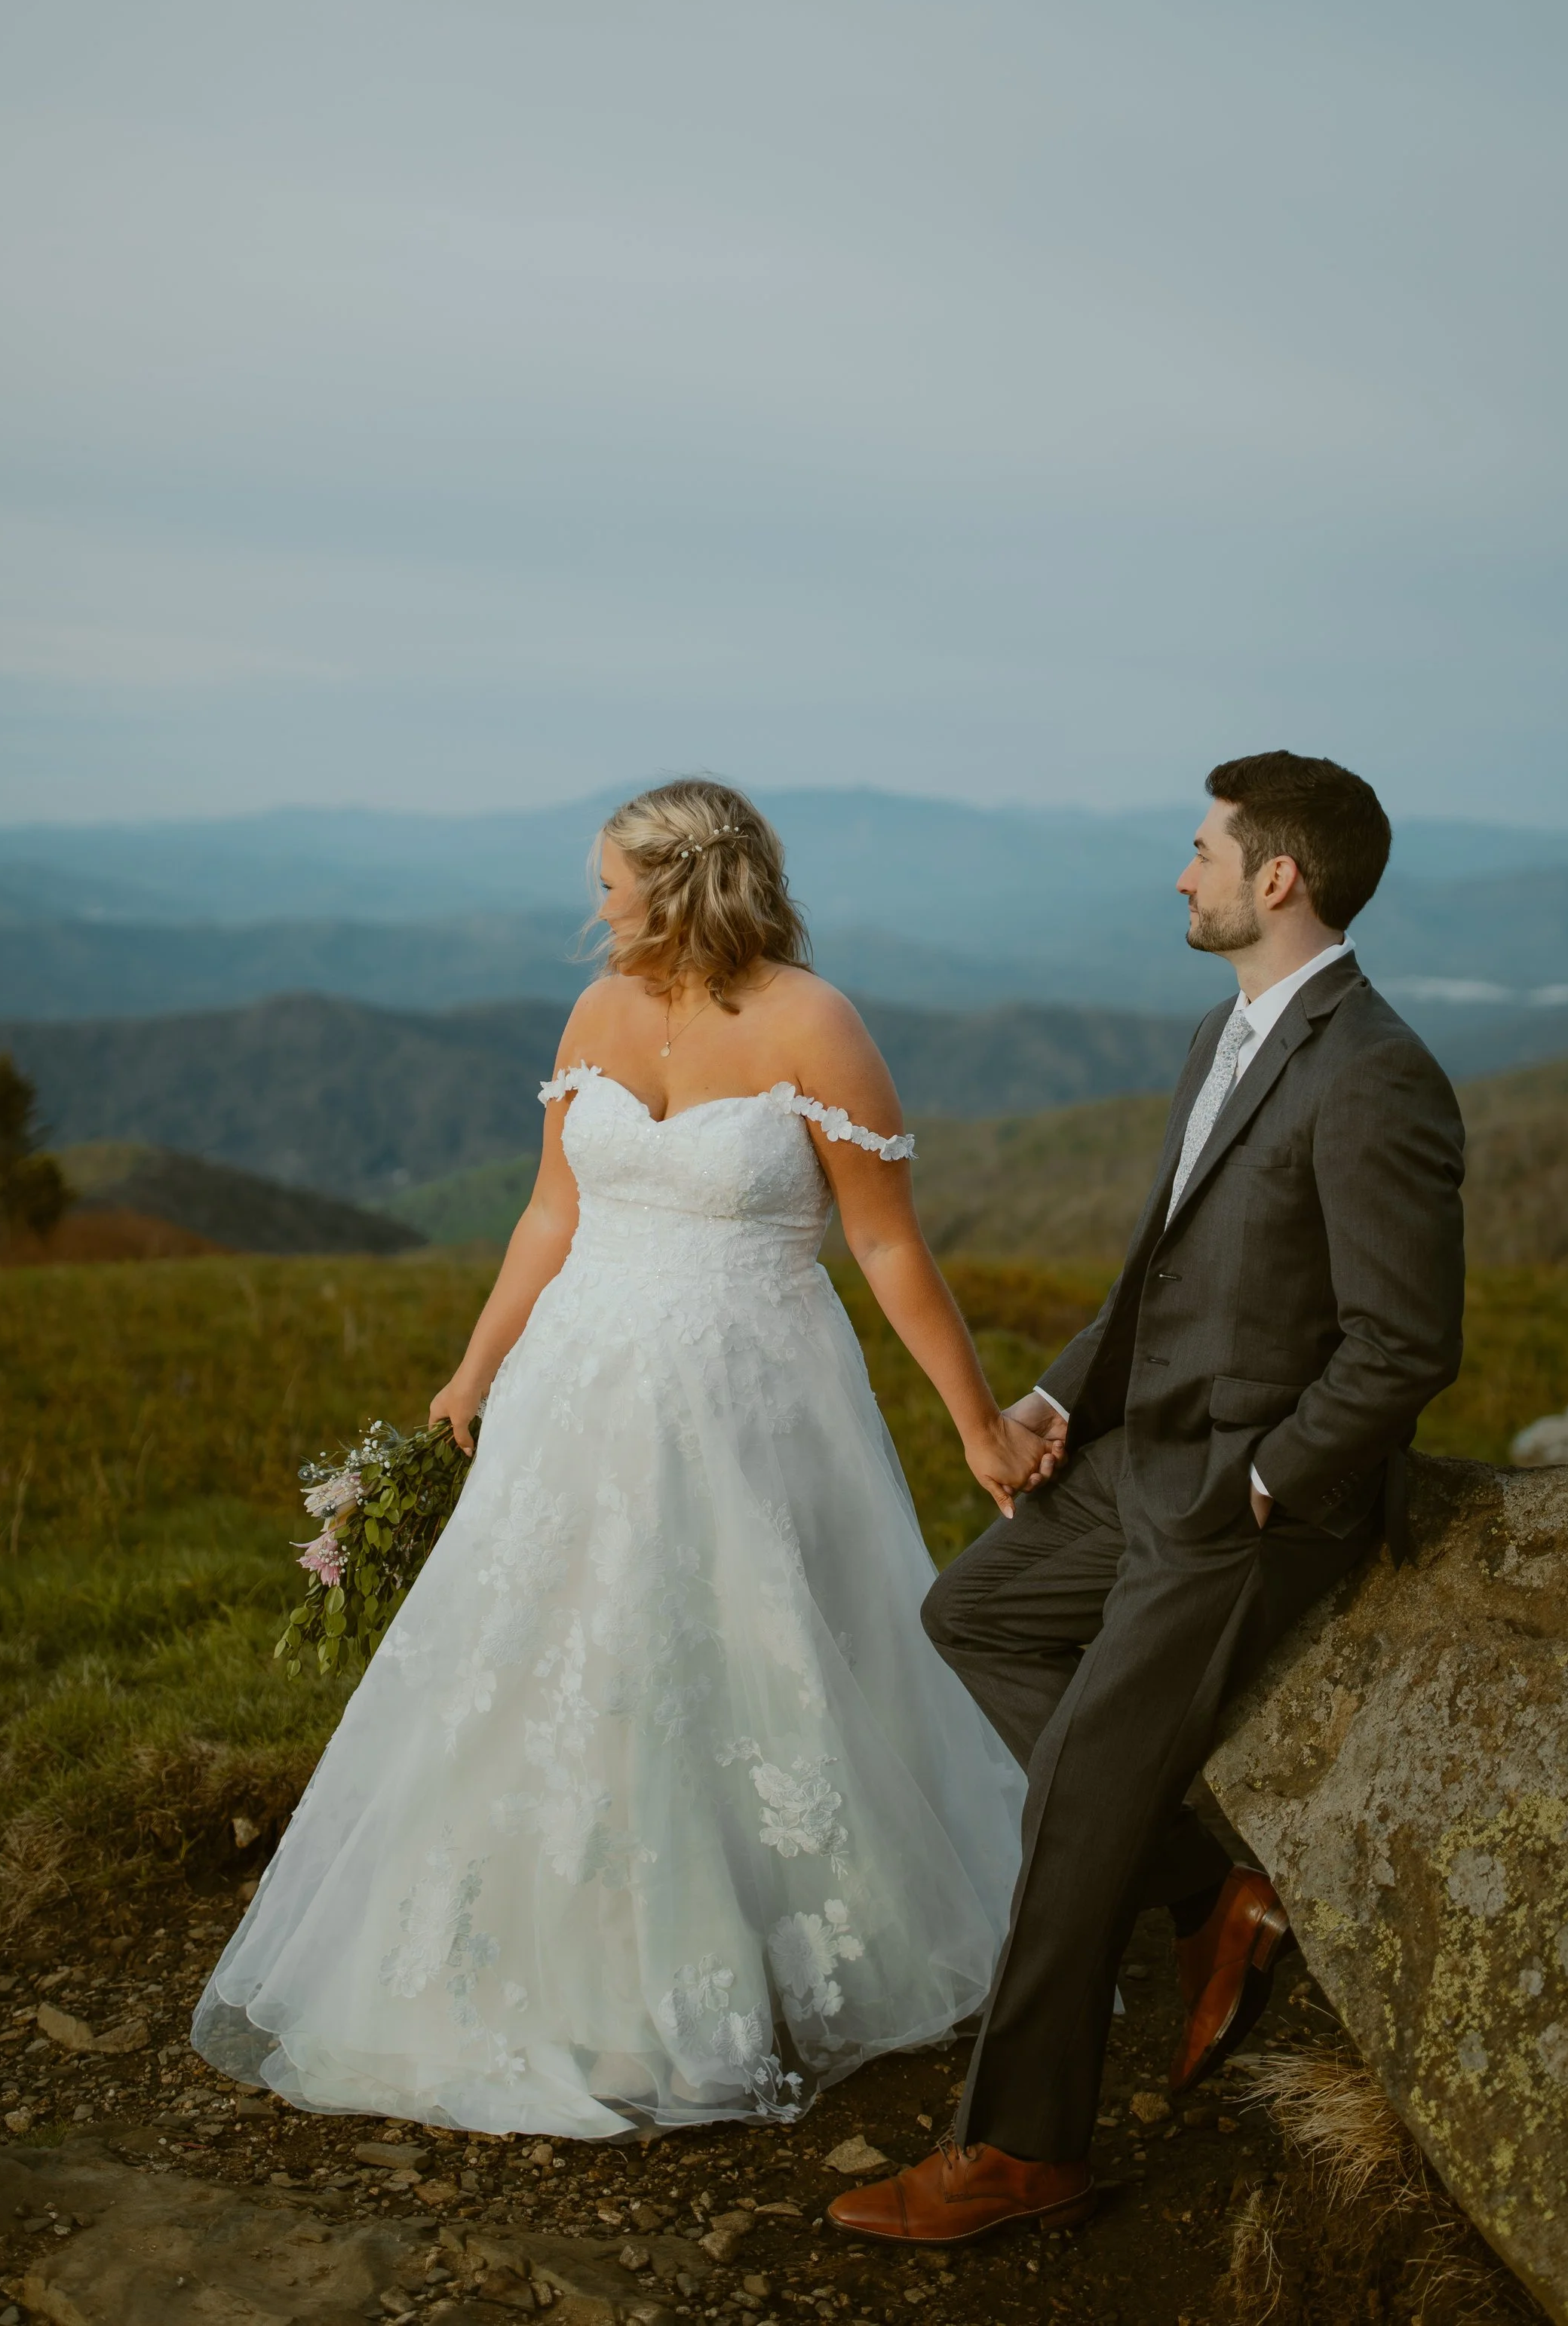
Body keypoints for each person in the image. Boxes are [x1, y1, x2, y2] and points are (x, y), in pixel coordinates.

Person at [193, 778, 1038, 2137]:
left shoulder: (815, 1022)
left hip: (751, 1396)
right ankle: (569, 1955)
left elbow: (885, 1241)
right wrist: (475, 1368)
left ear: (682, 879)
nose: (594, 902)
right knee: (560, 1657)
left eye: (609, 879)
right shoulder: (595, 1012)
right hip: (574, 1390)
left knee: (745, 1667)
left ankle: (748, 1959)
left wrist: (976, 1419)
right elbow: (549, 1208)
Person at [830, 750, 1465, 2247]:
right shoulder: (1219, 1031)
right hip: (1136, 1458)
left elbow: (1403, 1345)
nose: (1180, 873)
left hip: (1240, 1505)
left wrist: (1259, 1485)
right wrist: (1058, 1394)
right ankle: (1206, 1895)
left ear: (1275, 878)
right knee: (967, 1611)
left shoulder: (1379, 1078)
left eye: (1199, 849)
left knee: (1070, 1797)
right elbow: (1157, 1273)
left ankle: (1020, 2147)